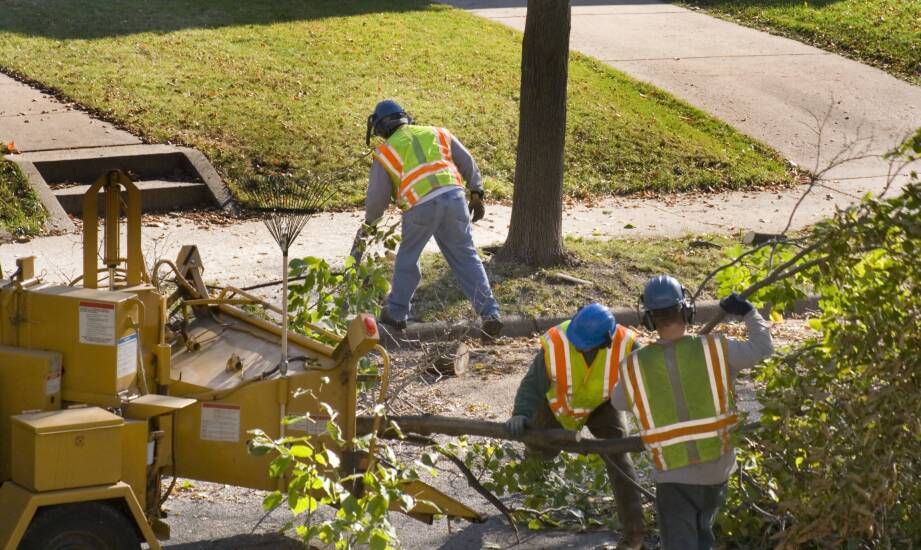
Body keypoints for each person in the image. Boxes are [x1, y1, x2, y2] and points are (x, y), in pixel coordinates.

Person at [611, 275, 774, 549]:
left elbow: (618, 403)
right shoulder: (716, 349)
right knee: (703, 538)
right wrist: (748, 312)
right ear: (687, 311)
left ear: (648, 319)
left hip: (672, 475)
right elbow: (763, 348)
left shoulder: (634, 365)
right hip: (717, 469)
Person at [505, 303, 646, 549]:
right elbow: (532, 384)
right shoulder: (557, 341)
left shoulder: (627, 345)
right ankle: (534, 483)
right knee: (540, 449)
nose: (578, 347)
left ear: (606, 341)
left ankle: (634, 535)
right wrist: (520, 414)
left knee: (619, 456)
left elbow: (648, 383)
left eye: (585, 345)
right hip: (557, 404)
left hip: (602, 404)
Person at [361, 99, 501, 338]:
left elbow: (377, 198)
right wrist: (476, 191)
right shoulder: (438, 132)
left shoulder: (385, 152)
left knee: (408, 258)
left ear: (381, 127)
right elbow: (467, 160)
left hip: (420, 206)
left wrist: (371, 222)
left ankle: (397, 313)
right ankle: (490, 314)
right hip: (454, 199)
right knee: (467, 257)